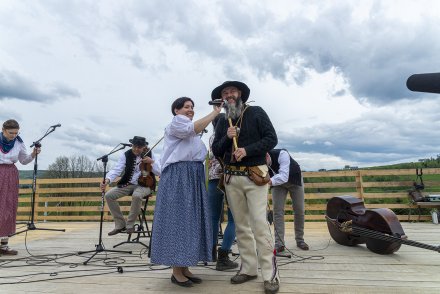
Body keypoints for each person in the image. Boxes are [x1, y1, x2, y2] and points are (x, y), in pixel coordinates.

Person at [212, 81, 280, 294]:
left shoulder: (256, 112)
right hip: (232, 178)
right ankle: (249, 269)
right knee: (241, 226)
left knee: (259, 224)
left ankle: (270, 275)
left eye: (232, 91)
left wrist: (247, 150)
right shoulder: (223, 120)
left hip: (255, 175)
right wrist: (227, 137)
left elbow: (272, 139)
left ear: (240, 93)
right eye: (225, 93)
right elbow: (216, 149)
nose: (229, 95)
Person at [150, 97, 222, 288]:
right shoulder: (176, 124)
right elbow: (192, 129)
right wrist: (215, 112)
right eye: (186, 107)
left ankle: (184, 267)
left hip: (193, 177)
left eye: (192, 107)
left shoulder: (192, 133)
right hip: (179, 177)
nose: (190, 110)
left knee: (190, 221)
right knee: (179, 220)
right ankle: (176, 271)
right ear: (176, 110)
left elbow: (194, 136)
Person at [100, 136, 158, 235]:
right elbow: (117, 169)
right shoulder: (126, 155)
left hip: (145, 185)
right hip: (128, 183)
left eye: (139, 147)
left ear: (144, 147)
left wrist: (152, 162)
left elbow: (159, 170)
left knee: (137, 195)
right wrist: (108, 179)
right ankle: (120, 224)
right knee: (109, 195)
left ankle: (130, 225)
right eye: (134, 146)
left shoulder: (151, 154)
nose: (136, 149)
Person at [0, 119, 41, 255]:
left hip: (11, 174)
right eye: (11, 133)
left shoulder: (19, 142)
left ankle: (4, 245)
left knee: (8, 207)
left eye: (16, 133)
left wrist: (33, 154)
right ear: (3, 130)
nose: (13, 135)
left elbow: (24, 161)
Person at [208, 113, 238, 271]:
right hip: (230, 179)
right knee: (234, 219)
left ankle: (211, 252)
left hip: (213, 179)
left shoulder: (212, 138)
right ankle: (224, 256)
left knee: (213, 218)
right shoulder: (231, 136)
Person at [267, 149, 309, 253]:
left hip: (294, 179)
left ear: (267, 155)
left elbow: (284, 177)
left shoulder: (282, 154)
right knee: (277, 212)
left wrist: (267, 181)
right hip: (277, 183)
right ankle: (279, 244)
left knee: (299, 210)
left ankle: (300, 240)